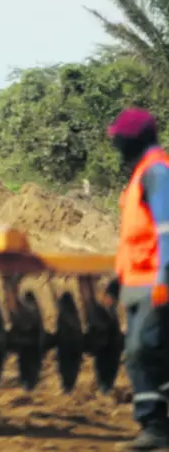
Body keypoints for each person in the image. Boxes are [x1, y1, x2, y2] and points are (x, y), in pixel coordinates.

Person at [109, 107, 169, 451]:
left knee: (142, 350)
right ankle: (155, 424)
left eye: (119, 139)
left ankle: (155, 428)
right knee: (148, 353)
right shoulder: (140, 175)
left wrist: (164, 276)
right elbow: (135, 236)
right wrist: (116, 283)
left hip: (153, 281)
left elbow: (165, 230)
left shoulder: (157, 172)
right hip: (135, 281)